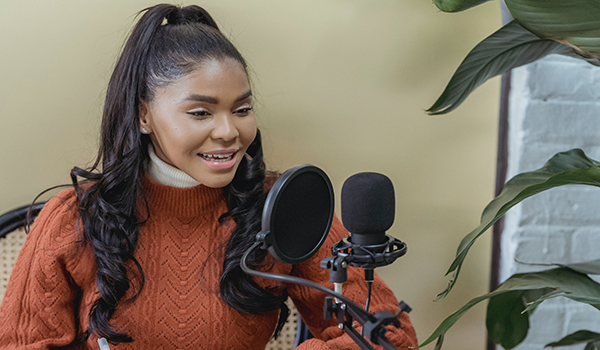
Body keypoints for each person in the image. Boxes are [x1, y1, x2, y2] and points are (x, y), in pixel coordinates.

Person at [0, 4, 418, 349]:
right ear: (143, 114)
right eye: (200, 112)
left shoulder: (285, 206)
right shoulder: (74, 219)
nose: (228, 132)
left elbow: (391, 335)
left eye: (241, 109)